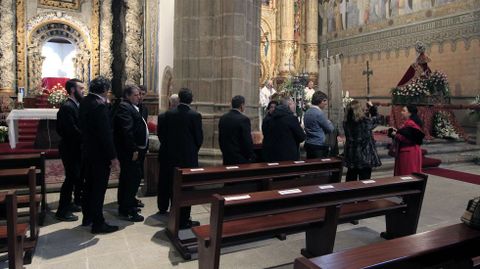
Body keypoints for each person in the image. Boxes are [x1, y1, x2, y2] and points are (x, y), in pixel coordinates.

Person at [157, 88, 203, 228]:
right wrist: (191, 151)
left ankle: (173, 214)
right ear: (191, 99)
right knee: (187, 188)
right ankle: (184, 219)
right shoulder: (195, 115)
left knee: (172, 186)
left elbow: (162, 136)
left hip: (170, 158)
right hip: (188, 159)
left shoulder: (167, 115)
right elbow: (199, 138)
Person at [79, 76, 119, 234]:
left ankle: (87, 217)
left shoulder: (85, 102)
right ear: (104, 90)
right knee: (98, 188)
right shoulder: (99, 105)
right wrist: (113, 157)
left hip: (88, 151)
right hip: (99, 154)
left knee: (88, 186)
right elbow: (105, 134)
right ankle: (98, 223)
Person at [113, 85, 148, 222]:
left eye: (139, 94)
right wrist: (133, 149)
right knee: (131, 179)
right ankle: (126, 210)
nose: (139, 97)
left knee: (130, 178)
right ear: (127, 96)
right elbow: (127, 131)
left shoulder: (131, 107)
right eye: (135, 95)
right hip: (129, 151)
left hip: (134, 149)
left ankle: (127, 204)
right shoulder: (124, 107)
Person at [55, 78, 84, 221]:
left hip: (75, 147)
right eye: (81, 89)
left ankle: (70, 203)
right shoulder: (68, 107)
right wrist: (85, 137)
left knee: (75, 177)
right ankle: (62, 210)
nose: (83, 91)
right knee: (71, 178)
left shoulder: (76, 105)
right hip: (70, 148)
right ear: (73, 90)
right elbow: (70, 130)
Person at [343, 100, 381, 181]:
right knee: (364, 180)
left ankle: (349, 193)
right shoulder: (365, 122)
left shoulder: (346, 122)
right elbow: (377, 119)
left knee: (350, 179)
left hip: (352, 155)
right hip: (364, 155)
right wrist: (371, 107)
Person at [262, 95, 305, 162]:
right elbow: (301, 137)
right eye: (293, 103)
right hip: (288, 156)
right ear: (289, 105)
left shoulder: (270, 118)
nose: (295, 106)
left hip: (271, 156)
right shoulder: (291, 118)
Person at [156, 94, 179, 214]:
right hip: (177, 155)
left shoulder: (162, 116)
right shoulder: (179, 116)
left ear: (170, 103)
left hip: (165, 153)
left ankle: (162, 206)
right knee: (174, 182)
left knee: (164, 181)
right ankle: (173, 206)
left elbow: (160, 135)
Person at [389, 105, 425, 176]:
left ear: (409, 113)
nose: (401, 112)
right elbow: (407, 134)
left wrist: (394, 135)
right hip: (413, 150)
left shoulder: (410, 123)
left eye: (404, 111)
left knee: (406, 174)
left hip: (408, 151)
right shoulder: (412, 122)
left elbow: (408, 139)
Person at [218, 95, 255, 165]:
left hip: (226, 157)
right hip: (240, 158)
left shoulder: (223, 118)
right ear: (242, 105)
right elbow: (247, 141)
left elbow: (220, 139)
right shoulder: (244, 119)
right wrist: (250, 156)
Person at [303, 91, 334, 158]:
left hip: (309, 143)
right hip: (318, 145)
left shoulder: (307, 112)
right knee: (319, 166)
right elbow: (330, 129)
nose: (326, 104)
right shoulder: (319, 113)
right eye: (325, 102)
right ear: (321, 101)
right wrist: (329, 121)